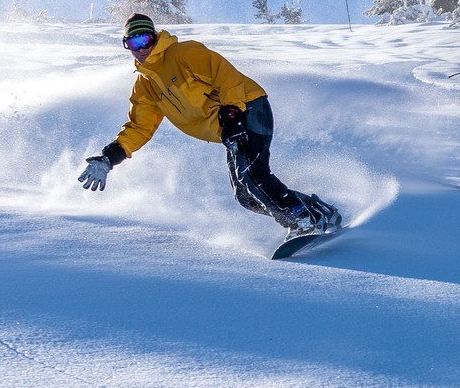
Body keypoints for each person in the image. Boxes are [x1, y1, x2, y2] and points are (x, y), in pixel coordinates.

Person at [77, 14, 342, 235]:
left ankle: (301, 220)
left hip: (248, 109)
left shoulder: (183, 54)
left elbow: (226, 76)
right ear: (127, 46)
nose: (141, 47)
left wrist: (232, 115)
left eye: (145, 39)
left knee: (252, 175)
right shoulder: (144, 86)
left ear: (154, 38)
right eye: (134, 42)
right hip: (228, 128)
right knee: (246, 197)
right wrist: (109, 158)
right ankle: (314, 211)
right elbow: (140, 127)